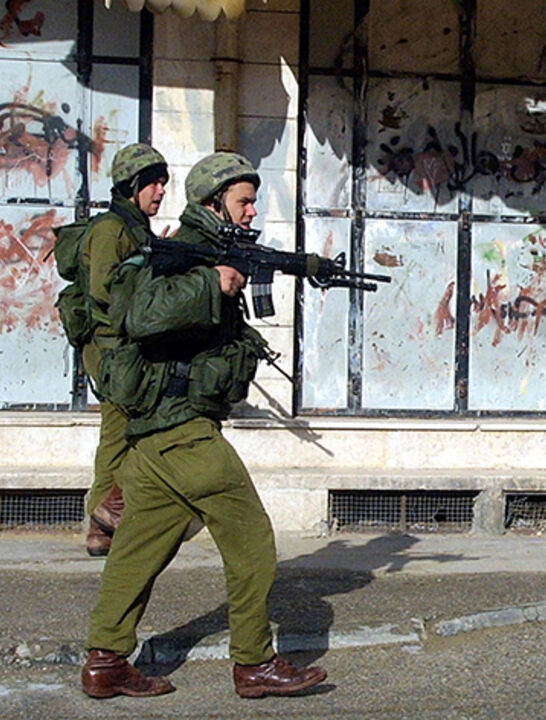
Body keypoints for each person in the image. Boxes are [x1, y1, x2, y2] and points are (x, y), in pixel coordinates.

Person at [81, 152, 326, 699]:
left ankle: (105, 661)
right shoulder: (177, 255)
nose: (251, 209)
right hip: (185, 434)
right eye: (243, 200)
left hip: (156, 441)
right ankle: (254, 664)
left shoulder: (209, 248)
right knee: (253, 542)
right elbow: (141, 314)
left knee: (138, 552)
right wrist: (212, 283)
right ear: (213, 202)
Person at [82, 143, 170, 556]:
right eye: (154, 183)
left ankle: (106, 524)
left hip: (127, 349)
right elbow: (104, 289)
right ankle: (101, 525)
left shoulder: (136, 228)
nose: (161, 191)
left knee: (125, 435)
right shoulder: (110, 229)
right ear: (132, 186)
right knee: (117, 436)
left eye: (163, 183)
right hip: (112, 351)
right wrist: (147, 266)